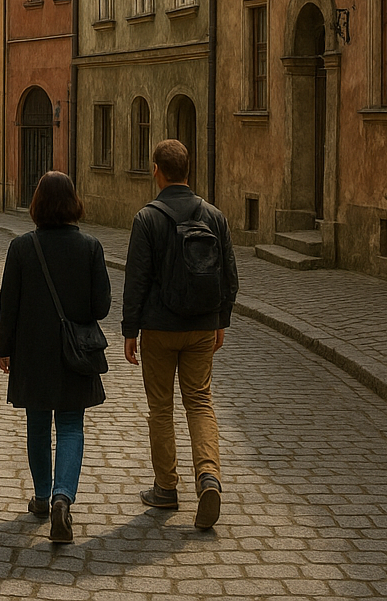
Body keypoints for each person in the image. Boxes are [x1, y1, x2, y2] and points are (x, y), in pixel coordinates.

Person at [122, 139, 238, 530]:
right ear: (189, 171)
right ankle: (208, 476)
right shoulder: (215, 216)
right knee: (200, 401)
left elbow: (135, 280)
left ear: (156, 170)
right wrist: (221, 319)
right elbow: (231, 277)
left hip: (158, 326)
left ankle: (166, 488)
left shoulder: (147, 218)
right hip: (203, 326)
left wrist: (129, 330)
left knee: (161, 407)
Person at [0, 171, 111, 544]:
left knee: (37, 424)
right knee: (72, 425)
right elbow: (102, 306)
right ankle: (64, 496)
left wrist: (4, 348)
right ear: (73, 203)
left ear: (37, 204)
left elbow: (7, 303)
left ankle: (43, 497)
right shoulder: (90, 247)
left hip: (32, 351)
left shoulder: (22, 247)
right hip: (74, 350)